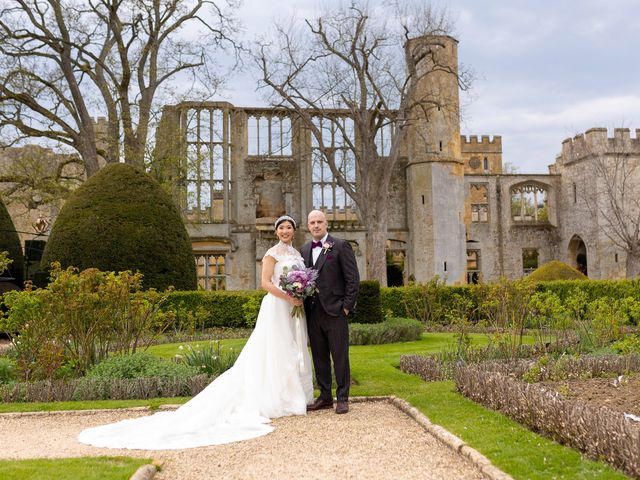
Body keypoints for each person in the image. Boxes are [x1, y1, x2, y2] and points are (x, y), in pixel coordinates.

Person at [77, 215, 313, 450]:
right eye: (281, 227)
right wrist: (289, 296)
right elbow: (265, 283)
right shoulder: (272, 253)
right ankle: (276, 398)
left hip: (294, 308)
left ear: (294, 230)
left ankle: (293, 395)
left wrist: (300, 295)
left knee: (292, 347)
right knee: (274, 349)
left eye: (289, 227)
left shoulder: (297, 255)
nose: (285, 231)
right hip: (277, 306)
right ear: (276, 231)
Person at [301, 210, 359, 415]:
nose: (316, 225)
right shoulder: (305, 249)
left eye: (319, 222)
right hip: (313, 312)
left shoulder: (341, 246)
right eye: (312, 222)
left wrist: (346, 307)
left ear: (326, 224)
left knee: (340, 356)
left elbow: (353, 279)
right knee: (319, 357)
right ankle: (325, 397)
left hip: (335, 311)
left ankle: (342, 398)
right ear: (308, 226)